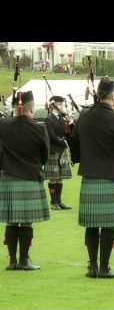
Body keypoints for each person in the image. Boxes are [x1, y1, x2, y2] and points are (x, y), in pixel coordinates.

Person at [71, 77, 114, 279]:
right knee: (108, 225)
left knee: (91, 224)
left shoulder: (84, 117)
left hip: (89, 176)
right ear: (112, 94)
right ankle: (104, 268)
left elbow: (74, 143)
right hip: (111, 175)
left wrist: (84, 160)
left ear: (98, 93)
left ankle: (92, 267)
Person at [0, 91, 50, 271]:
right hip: (30, 177)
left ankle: (12, 261)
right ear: (31, 107)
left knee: (11, 221)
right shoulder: (39, 128)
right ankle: (24, 260)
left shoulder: (2, 125)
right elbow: (45, 155)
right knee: (26, 221)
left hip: (7, 177)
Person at [44, 95, 73, 210]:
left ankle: (59, 201)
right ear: (53, 105)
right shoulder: (49, 119)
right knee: (53, 177)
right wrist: (64, 142)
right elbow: (51, 137)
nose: (61, 106)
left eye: (62, 104)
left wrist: (70, 124)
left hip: (61, 151)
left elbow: (68, 134)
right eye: (59, 104)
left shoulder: (62, 118)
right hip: (53, 151)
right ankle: (53, 202)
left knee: (60, 177)